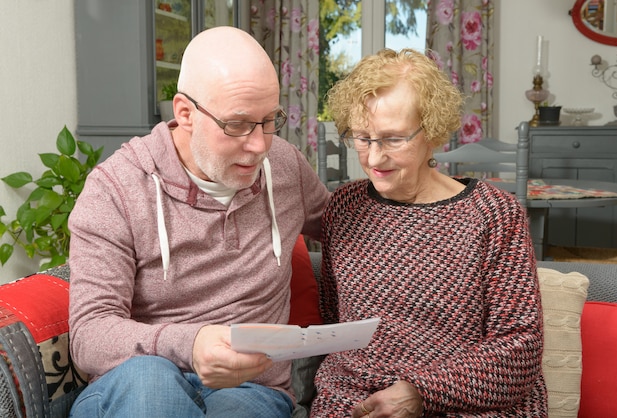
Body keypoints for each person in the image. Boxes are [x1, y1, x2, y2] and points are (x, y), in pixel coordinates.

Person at [68, 26, 330, 417]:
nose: (260, 145)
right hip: (133, 384)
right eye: (238, 124)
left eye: (270, 120)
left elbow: (354, 226)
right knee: (150, 384)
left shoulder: (286, 167)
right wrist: (190, 344)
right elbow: (90, 335)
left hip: (250, 388)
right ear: (185, 114)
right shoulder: (115, 189)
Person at [310, 48, 548, 417]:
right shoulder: (343, 207)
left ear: (432, 132)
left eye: (393, 139)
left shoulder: (493, 214)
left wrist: (421, 393)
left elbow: (519, 350)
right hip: (355, 400)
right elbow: (333, 320)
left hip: (468, 403)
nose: (373, 159)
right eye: (362, 138)